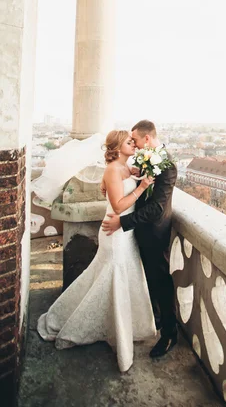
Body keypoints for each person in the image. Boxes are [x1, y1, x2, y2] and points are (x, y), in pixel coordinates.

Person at [37, 130, 156, 373]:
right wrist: (142, 186)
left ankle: (120, 327)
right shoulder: (113, 169)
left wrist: (134, 176)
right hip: (115, 232)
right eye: (129, 141)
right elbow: (120, 204)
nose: (134, 144)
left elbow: (117, 191)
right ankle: (86, 324)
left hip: (126, 232)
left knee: (118, 278)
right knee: (110, 277)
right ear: (116, 146)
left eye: (134, 141)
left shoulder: (124, 168)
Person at [102, 120, 178, 358]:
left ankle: (169, 334)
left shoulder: (167, 166)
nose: (132, 143)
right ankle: (149, 321)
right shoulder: (145, 159)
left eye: (134, 139)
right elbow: (131, 185)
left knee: (160, 282)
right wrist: (132, 178)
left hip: (155, 233)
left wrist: (122, 223)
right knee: (145, 282)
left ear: (147, 139)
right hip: (138, 232)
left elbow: (156, 209)